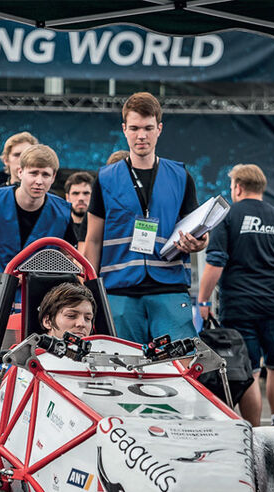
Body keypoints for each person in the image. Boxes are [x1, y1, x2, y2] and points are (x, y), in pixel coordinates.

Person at [83, 92, 207, 345]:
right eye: (135, 128)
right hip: (118, 290)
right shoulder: (105, 178)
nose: (142, 136)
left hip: (170, 288)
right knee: (122, 369)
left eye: (148, 128)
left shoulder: (181, 176)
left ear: (159, 129)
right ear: (124, 130)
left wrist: (200, 243)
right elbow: (93, 240)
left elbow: (200, 230)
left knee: (179, 368)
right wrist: (88, 290)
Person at [198, 164, 274, 427]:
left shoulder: (228, 217)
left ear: (237, 187)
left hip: (240, 305)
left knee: (249, 369)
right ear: (261, 188)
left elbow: (215, 263)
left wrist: (202, 300)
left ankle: (253, 429)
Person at [0, 144, 76, 312]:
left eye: (45, 174)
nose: (39, 181)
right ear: (20, 172)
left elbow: (67, 255)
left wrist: (37, 275)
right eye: (33, 173)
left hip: (35, 301)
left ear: (53, 177)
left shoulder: (62, 212)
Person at [64, 171, 94, 250]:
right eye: (75, 193)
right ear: (67, 197)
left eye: (86, 193)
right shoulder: (60, 227)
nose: (81, 198)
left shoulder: (99, 228)